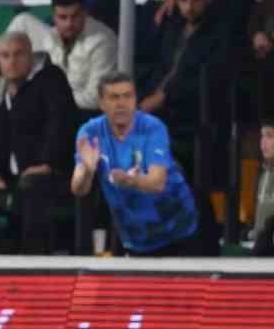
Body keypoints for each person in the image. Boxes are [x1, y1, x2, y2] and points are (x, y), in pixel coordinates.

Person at [71, 73, 199, 257]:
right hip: (136, 238)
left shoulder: (153, 128)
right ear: (101, 103)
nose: (121, 103)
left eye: (127, 96)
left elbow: (157, 183)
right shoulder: (90, 132)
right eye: (114, 97)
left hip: (179, 231)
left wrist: (131, 181)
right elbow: (78, 189)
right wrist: (88, 172)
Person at [0, 32, 79, 255]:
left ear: (30, 55)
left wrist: (47, 163)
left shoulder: (51, 79)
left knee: (32, 189)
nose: (12, 61)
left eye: (18, 54)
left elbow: (60, 124)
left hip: (54, 174)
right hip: (12, 177)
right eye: (5, 56)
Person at [4, 0, 118, 112]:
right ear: (54, 17)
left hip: (81, 112)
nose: (69, 24)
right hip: (52, 102)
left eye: (75, 16)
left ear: (84, 13)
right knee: (22, 20)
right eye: (63, 17)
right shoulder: (53, 35)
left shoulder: (102, 40)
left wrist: (49, 98)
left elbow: (95, 98)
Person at [141, 0, 223, 137]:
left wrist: (163, 97)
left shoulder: (218, 33)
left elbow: (202, 78)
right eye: (183, 0)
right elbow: (160, 65)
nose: (189, 6)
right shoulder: (174, 27)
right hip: (156, 101)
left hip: (188, 110)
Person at [251, 120, 274, 256]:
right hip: (260, 251)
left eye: (269, 136)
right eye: (262, 136)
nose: (263, 142)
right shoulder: (262, 173)